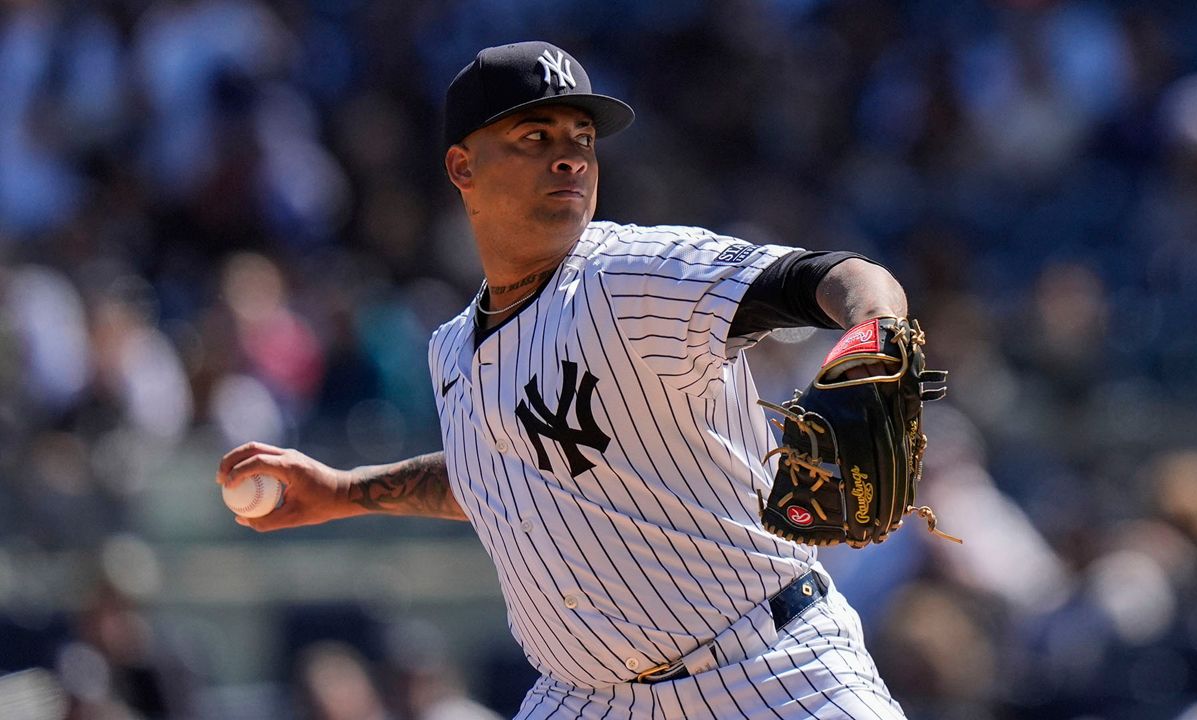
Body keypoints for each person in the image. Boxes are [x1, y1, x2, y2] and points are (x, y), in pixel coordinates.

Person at [218, 41, 912, 719]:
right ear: (461, 165)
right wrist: (347, 491)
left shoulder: (628, 276)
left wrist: (873, 334)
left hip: (770, 671)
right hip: (588, 698)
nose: (569, 156)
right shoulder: (451, 350)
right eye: (533, 134)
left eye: (582, 137)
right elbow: (498, 479)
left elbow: (839, 278)